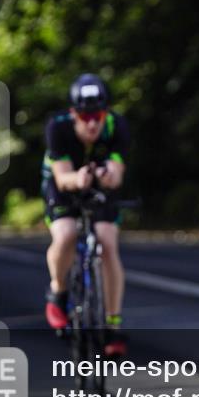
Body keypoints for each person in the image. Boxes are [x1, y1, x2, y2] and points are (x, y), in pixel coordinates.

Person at [41, 73, 131, 357]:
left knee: (107, 241)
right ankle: (58, 290)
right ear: (73, 113)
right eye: (85, 115)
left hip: (99, 186)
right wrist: (78, 180)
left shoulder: (117, 126)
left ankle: (112, 324)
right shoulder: (58, 128)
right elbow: (63, 177)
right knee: (66, 233)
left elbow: (117, 173)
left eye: (98, 115)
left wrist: (106, 175)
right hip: (64, 183)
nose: (92, 122)